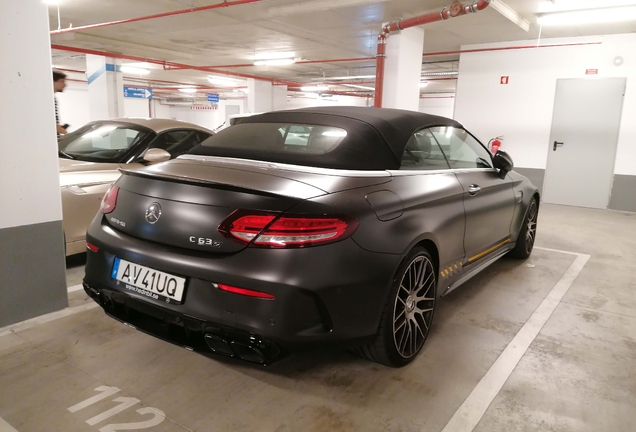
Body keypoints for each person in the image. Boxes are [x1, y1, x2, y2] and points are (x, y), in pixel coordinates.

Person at [53, 70, 67, 135]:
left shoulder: (52, 98)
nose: (65, 85)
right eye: (62, 81)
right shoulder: (48, 99)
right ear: (53, 82)